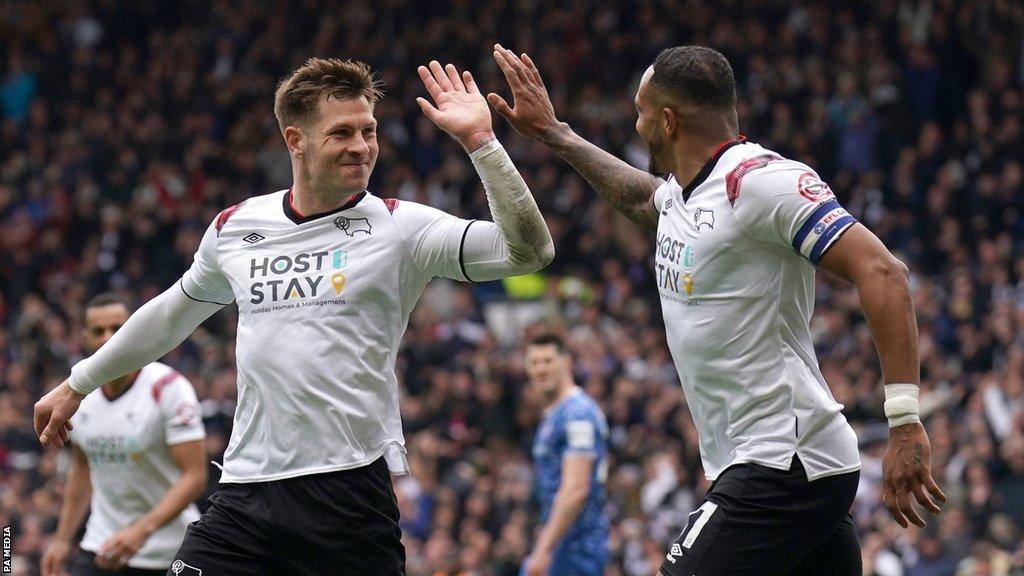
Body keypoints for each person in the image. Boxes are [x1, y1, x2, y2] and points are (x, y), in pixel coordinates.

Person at [34, 57, 554, 576]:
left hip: (346, 494)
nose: (361, 146)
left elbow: (528, 253)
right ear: (294, 140)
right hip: (245, 489)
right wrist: (79, 382)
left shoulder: (401, 227)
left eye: (368, 130)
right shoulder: (236, 226)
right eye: (342, 132)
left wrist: (482, 144)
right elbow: (171, 314)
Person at [488, 44, 947, 575]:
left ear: (667, 120)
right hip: (783, 464)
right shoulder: (687, 193)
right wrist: (554, 133)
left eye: (639, 113)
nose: (636, 127)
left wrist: (905, 422)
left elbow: (884, 271)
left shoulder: (758, 182)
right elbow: (645, 202)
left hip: (782, 462)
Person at [41, 293, 207, 576]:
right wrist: (61, 539)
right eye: (98, 331)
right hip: (101, 546)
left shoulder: (169, 388)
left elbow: (195, 476)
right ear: (85, 337)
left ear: (133, 330)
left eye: (118, 328)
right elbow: (83, 467)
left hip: (166, 551)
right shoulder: (77, 396)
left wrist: (141, 531)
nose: (108, 338)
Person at [522, 333, 609, 576]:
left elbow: (576, 489)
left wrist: (543, 548)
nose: (541, 369)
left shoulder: (578, 414)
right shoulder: (554, 414)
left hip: (577, 548)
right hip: (561, 544)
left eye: (548, 361)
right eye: (534, 362)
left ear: (566, 362)